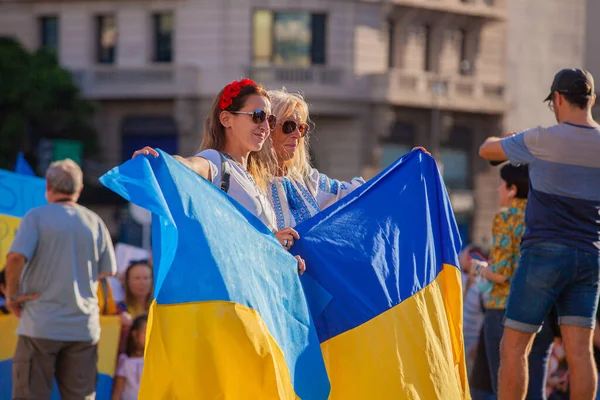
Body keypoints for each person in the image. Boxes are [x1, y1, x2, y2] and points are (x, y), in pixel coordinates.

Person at [479, 68, 600, 400]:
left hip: (543, 254)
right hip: (590, 255)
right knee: (580, 353)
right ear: (591, 100)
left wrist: (512, 139)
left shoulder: (540, 138)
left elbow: (487, 151)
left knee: (514, 347)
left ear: (558, 99)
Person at [133, 79, 305, 273]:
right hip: (229, 298)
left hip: (252, 298)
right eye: (258, 116)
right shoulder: (215, 160)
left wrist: (282, 256)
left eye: (270, 120)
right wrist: (162, 162)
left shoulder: (253, 178)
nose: (266, 126)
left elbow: (249, 247)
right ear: (226, 119)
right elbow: (190, 165)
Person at [5, 159, 117, 399]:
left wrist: (11, 296)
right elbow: (107, 271)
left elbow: (15, 258)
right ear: (79, 189)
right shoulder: (95, 221)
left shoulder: (36, 217)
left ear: (48, 185)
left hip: (40, 324)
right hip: (83, 328)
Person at [477, 164, 554, 399]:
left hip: (504, 310)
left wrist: (479, 269)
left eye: (500, 184)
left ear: (511, 189)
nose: (498, 189)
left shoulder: (505, 217)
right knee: (535, 389)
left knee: (506, 389)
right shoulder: (546, 216)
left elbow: (500, 273)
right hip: (542, 311)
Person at [264, 89, 365, 232]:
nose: (297, 135)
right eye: (289, 126)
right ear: (267, 128)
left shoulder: (308, 181)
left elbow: (355, 195)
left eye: (301, 128)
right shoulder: (247, 182)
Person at [111, 314, 147, 400]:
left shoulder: (155, 360)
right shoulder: (124, 360)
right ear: (134, 334)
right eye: (146, 332)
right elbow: (118, 391)